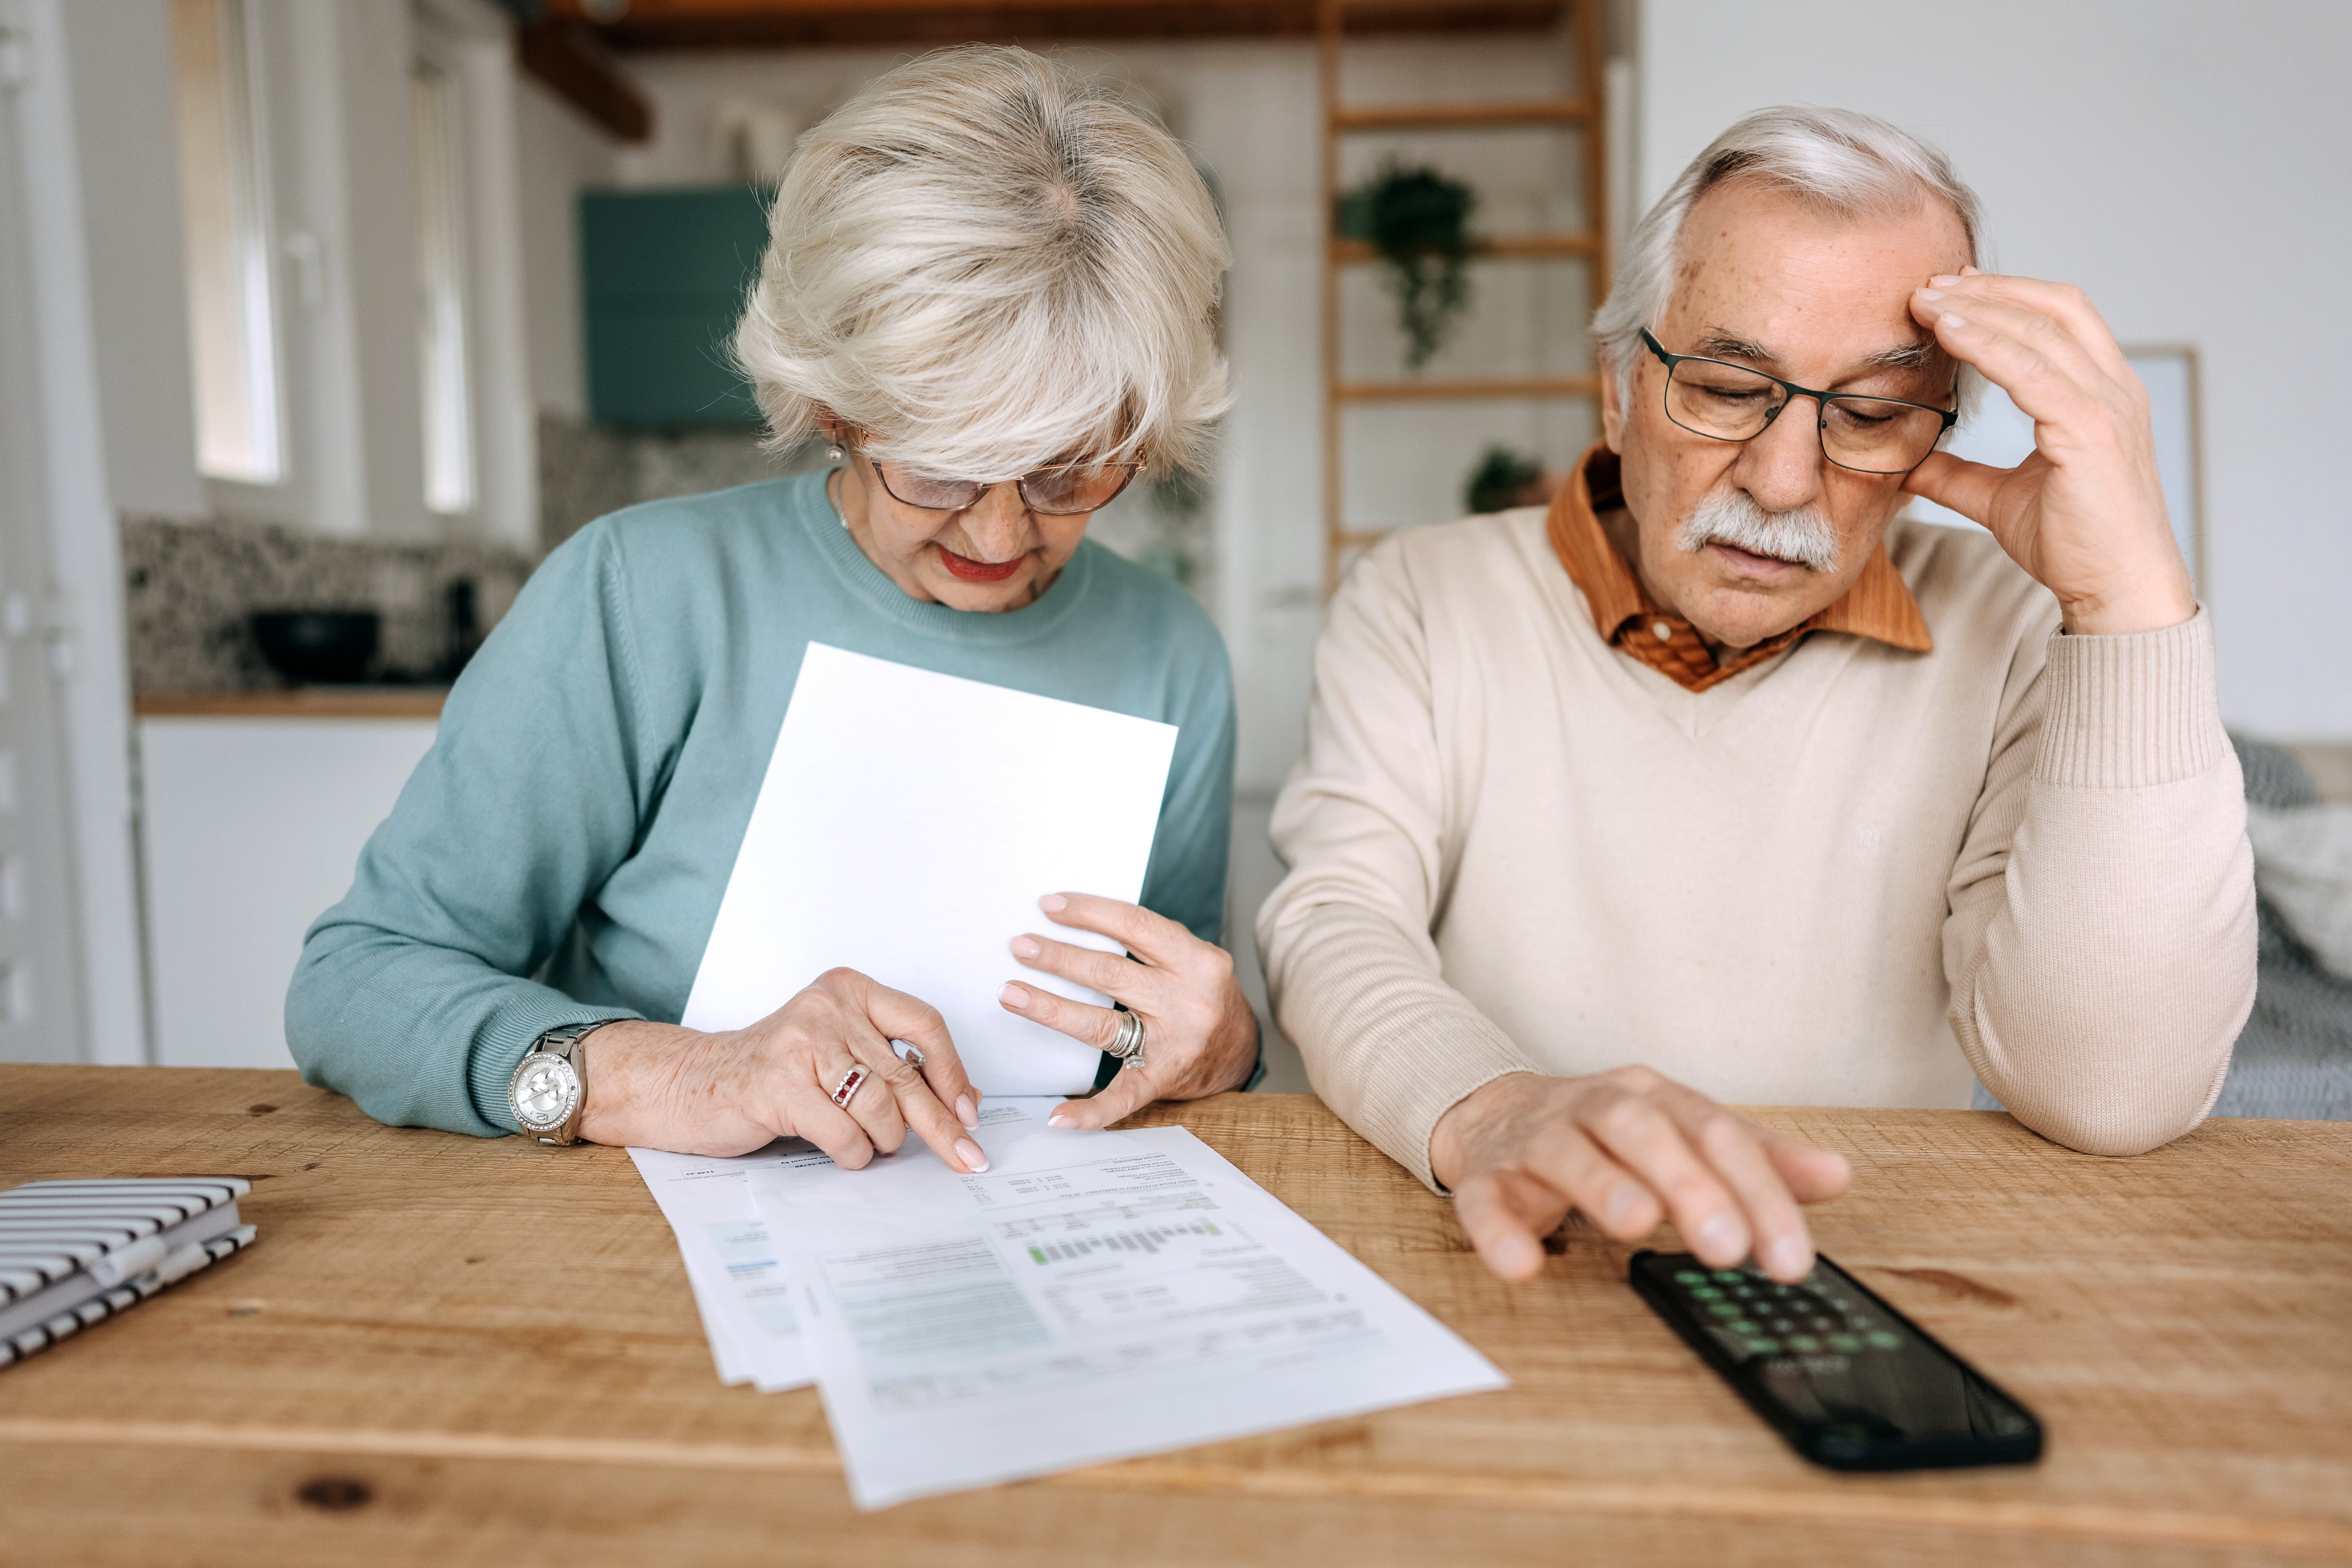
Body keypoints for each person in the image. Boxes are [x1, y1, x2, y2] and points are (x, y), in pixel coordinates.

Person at [1258, 107, 2255, 1286]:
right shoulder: (1426, 592)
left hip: (1860, 1273)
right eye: (1728, 388)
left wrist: (2131, 599)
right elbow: (1336, 921)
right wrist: (1492, 1114)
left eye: (1872, 416)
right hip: (1509, 1251)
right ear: (1619, 388)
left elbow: (2114, 1093)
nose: (1785, 482)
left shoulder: (2016, 624)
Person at [288, 47, 1259, 1170]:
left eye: (1066, 473)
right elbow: (354, 979)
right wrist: (678, 1071)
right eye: (938, 468)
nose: (998, 538)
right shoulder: (641, 594)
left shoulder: (1171, 653)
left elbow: (1156, 1052)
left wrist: (1223, 1042)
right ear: (832, 406)